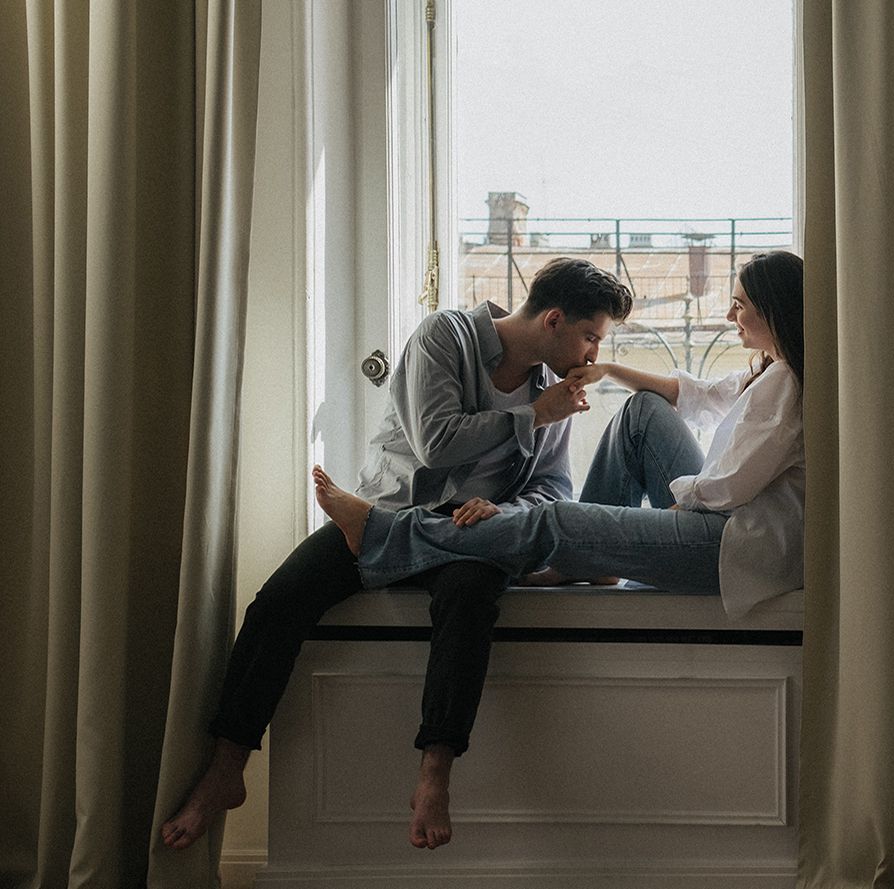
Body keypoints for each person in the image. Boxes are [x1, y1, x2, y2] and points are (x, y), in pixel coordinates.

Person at [161, 257, 632, 852]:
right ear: (554, 320)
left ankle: (435, 773)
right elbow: (436, 442)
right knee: (280, 600)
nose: (593, 356)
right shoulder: (446, 335)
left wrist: (503, 511)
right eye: (591, 337)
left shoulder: (557, 393)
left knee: (470, 599)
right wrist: (533, 416)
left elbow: (553, 489)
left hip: (470, 537)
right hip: (389, 511)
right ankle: (226, 767)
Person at [312, 249, 803, 627]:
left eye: (739, 306)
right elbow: (691, 395)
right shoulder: (766, 372)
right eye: (592, 339)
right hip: (718, 529)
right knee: (643, 410)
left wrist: (673, 507)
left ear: (772, 311)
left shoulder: (786, 383)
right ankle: (586, 558)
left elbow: (728, 489)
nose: (728, 317)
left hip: (729, 545)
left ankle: (384, 532)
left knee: (558, 522)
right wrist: (608, 371)